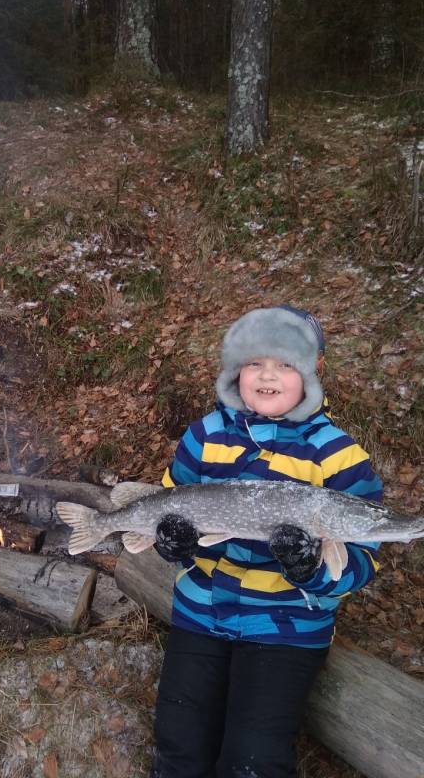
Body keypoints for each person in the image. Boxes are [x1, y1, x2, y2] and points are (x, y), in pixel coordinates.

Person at [150, 305, 383, 778]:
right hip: (201, 613)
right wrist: (170, 541)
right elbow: (167, 502)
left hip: (287, 628)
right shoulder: (202, 437)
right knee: (179, 745)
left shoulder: (338, 457)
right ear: (237, 368)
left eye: (286, 364)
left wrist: (310, 569)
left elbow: (362, 561)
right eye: (255, 362)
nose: (268, 376)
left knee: (252, 760)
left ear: (313, 370)